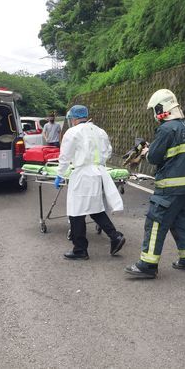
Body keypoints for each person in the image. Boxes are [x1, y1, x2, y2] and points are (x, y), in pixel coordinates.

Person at [125, 89, 185, 279]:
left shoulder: (166, 129)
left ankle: (147, 265)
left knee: (156, 221)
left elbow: (155, 157)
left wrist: (145, 151)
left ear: (162, 108)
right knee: (181, 222)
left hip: (170, 187)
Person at [55, 105, 125, 260]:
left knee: (76, 211)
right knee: (95, 208)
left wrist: (60, 174)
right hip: (98, 173)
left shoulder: (72, 132)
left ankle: (80, 249)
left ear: (73, 118)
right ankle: (115, 236)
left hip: (82, 174)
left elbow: (65, 156)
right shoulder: (100, 131)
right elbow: (108, 151)